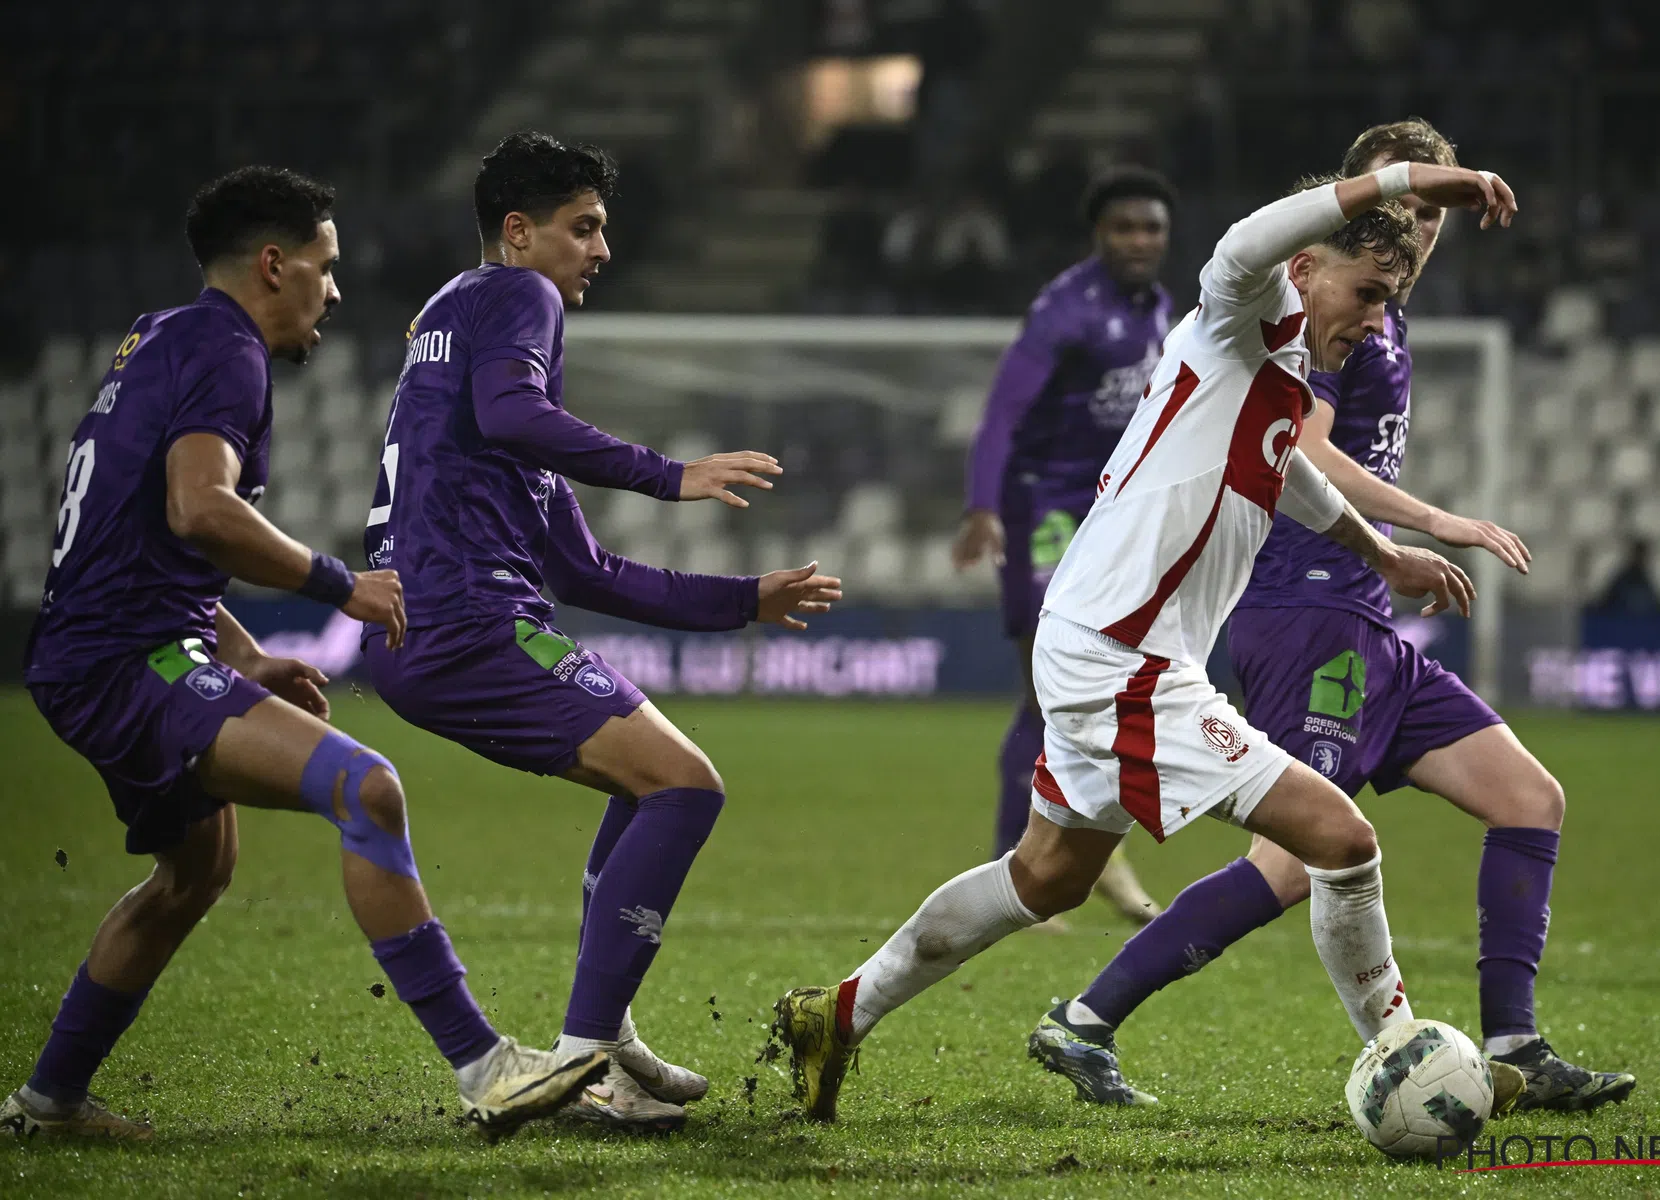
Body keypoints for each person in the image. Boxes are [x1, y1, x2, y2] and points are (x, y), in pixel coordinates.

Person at [776, 160, 1519, 1122]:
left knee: (1046, 875)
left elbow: (1286, 469)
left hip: (1112, 640)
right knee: (1342, 839)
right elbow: (1251, 235)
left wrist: (1383, 554)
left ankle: (836, 1012)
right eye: (1368, 294)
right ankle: (1400, 1051)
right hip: (1124, 653)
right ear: (1305, 269)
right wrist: (1412, 177)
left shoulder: (1283, 370)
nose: (1376, 320)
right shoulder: (1235, 306)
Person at [1033, 120, 1635, 1113]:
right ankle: (1087, 1017)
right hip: (1305, 607)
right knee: (1298, 856)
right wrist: (1428, 524)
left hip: (1367, 622)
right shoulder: (1322, 318)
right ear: (1354, 208)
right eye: (1409, 204)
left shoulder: (1382, 314)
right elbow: (1298, 445)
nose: (1421, 228)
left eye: (1433, 216)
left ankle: (1518, 1044)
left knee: (1530, 799)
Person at [4, 168, 604, 1143]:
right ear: (273, 265)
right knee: (364, 789)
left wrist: (238, 651)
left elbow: (153, 536)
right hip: (127, 662)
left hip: (107, 646)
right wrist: (340, 585)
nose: (335, 291)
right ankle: (485, 1066)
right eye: (325, 270)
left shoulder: (159, 338)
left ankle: (47, 1103)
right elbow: (201, 508)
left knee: (195, 874)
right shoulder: (227, 351)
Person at [361, 132, 841, 1134]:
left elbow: (587, 572)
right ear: (519, 232)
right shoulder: (513, 300)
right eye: (584, 228)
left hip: (426, 621)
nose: (600, 251)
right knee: (687, 784)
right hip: (469, 619)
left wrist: (743, 601)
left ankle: (605, 1032)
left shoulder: (448, 328)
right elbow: (515, 411)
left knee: (652, 779)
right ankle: (589, 1055)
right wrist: (670, 474)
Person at [952, 166, 1179, 928]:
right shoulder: (1065, 311)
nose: (1140, 240)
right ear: (1099, 236)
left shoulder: (1160, 310)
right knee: (1048, 689)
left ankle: (1086, 855)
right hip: (1042, 513)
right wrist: (983, 507)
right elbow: (1002, 412)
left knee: (1103, 686)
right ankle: (1025, 866)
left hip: (1110, 517)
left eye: (1151, 227)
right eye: (1125, 228)